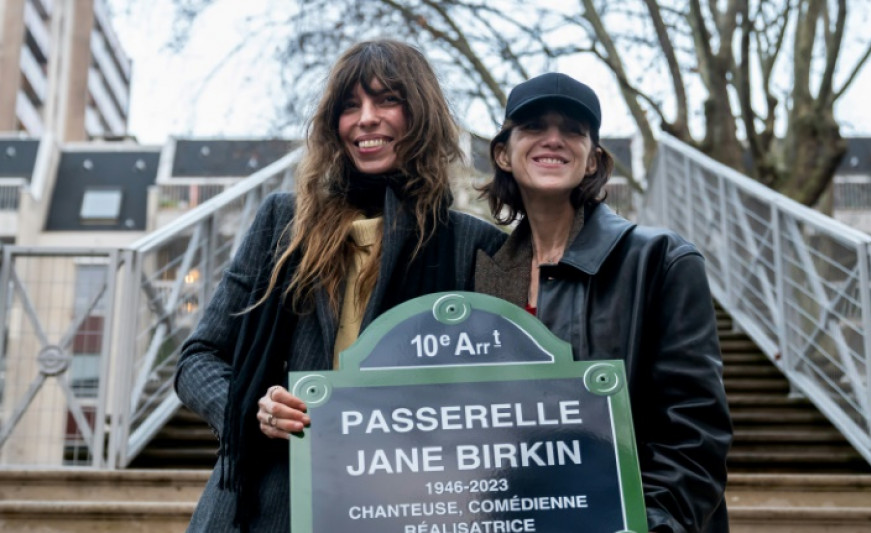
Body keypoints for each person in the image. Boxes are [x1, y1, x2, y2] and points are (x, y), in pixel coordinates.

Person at [174, 39, 506, 532]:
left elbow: (496, 393)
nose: (366, 118)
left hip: (407, 507)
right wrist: (253, 409)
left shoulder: (472, 245)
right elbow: (198, 357)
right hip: (269, 505)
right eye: (349, 106)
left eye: (387, 100)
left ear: (423, 115)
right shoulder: (283, 223)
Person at [473, 72, 732, 533]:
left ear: (592, 160)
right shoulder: (478, 276)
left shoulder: (662, 261)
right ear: (503, 153)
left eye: (572, 129)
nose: (553, 139)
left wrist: (647, 524)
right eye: (533, 126)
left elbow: (694, 431)